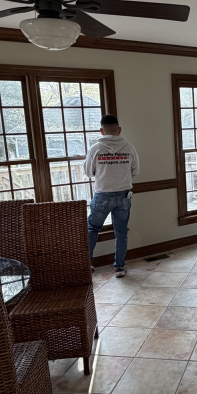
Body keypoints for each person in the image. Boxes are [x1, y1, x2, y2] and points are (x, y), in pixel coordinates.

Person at [84, 114, 139, 277]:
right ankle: (120, 267)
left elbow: (88, 172)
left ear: (102, 131)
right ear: (119, 130)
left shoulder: (95, 149)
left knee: (92, 228)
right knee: (121, 230)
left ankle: (87, 264)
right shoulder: (129, 148)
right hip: (124, 195)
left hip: (102, 195)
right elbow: (136, 171)